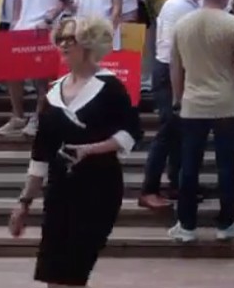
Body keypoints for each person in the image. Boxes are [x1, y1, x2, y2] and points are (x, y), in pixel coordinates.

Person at [8, 16, 141, 287]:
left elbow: (130, 134)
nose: (64, 45)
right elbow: (40, 154)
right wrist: (24, 202)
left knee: (74, 272)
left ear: (88, 43)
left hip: (98, 189)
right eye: (60, 39)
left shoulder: (110, 87)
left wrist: (91, 149)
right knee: (53, 273)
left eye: (71, 39)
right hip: (59, 191)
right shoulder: (53, 93)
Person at [167, 0, 234, 243]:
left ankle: (186, 224)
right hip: (227, 101)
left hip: (193, 102)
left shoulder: (182, 24)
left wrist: (178, 97)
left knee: (189, 165)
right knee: (227, 165)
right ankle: (226, 222)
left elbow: (175, 67)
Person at [138, 0, 206, 210]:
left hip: (180, 70)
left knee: (180, 130)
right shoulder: (178, 6)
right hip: (169, 71)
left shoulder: (192, 5)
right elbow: (173, 48)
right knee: (168, 130)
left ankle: (176, 183)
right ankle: (149, 188)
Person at [0, 0, 74, 137]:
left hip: (45, 27)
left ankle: (38, 117)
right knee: (13, 73)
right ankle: (17, 116)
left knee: (43, 77)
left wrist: (48, 18)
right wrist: (15, 20)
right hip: (22, 25)